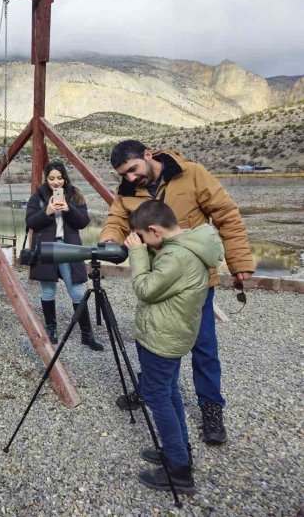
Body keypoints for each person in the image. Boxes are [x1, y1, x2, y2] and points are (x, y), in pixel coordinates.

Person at [100, 140, 254, 444]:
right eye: (123, 174)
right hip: (157, 280)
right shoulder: (127, 189)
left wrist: (239, 261)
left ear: (148, 155)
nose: (130, 178)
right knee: (152, 339)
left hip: (195, 282)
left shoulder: (193, 174)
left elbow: (226, 215)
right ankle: (151, 388)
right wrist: (108, 241)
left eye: (132, 170)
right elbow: (116, 220)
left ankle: (211, 408)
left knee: (203, 347)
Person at [124, 200, 224, 493]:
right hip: (174, 333)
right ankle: (178, 451)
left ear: (154, 230)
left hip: (161, 339)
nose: (141, 242)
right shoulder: (190, 244)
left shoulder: (175, 257)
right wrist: (148, 248)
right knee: (169, 391)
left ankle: (179, 472)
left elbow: (145, 288)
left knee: (157, 397)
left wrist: (138, 254)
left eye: (142, 236)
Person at [26, 161, 103, 350]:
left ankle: (87, 334)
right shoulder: (38, 197)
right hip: (46, 248)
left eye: (59, 178)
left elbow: (83, 222)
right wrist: (48, 211)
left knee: (76, 290)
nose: (56, 182)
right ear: (46, 178)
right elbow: (31, 222)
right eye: (51, 178)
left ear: (65, 178)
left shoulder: (75, 194)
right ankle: (51, 329)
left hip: (70, 247)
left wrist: (69, 209)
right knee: (48, 291)